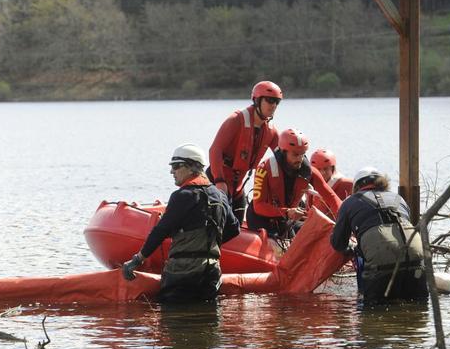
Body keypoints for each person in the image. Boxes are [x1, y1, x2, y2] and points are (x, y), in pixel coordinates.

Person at [121, 143, 240, 303]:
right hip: (211, 275)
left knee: (174, 322)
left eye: (176, 166)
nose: (172, 171)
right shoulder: (220, 196)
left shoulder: (182, 196)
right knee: (207, 324)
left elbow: (161, 231)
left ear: (192, 168)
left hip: (182, 276)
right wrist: (209, 244)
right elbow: (234, 229)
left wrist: (137, 259)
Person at [330, 167, 427, 303]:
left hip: (381, 263)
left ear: (357, 187)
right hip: (416, 259)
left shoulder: (349, 203)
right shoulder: (399, 199)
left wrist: (353, 249)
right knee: (417, 309)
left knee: (375, 313)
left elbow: (338, 243)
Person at [246, 128, 341, 238]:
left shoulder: (309, 172)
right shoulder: (264, 169)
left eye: (302, 154)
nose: (300, 159)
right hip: (260, 219)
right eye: (295, 154)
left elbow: (331, 196)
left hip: (285, 220)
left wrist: (345, 217)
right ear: (283, 152)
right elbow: (258, 206)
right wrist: (287, 212)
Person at [208, 81, 282, 222]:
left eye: (277, 102)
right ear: (257, 100)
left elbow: (285, 157)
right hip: (218, 181)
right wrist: (219, 181)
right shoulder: (236, 120)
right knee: (218, 226)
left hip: (238, 187)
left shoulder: (271, 131)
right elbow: (215, 150)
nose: (273, 105)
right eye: (270, 100)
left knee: (236, 228)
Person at [306, 148, 353, 219]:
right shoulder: (308, 186)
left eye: (326, 169)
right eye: (318, 169)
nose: (322, 173)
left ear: (332, 168)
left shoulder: (347, 184)